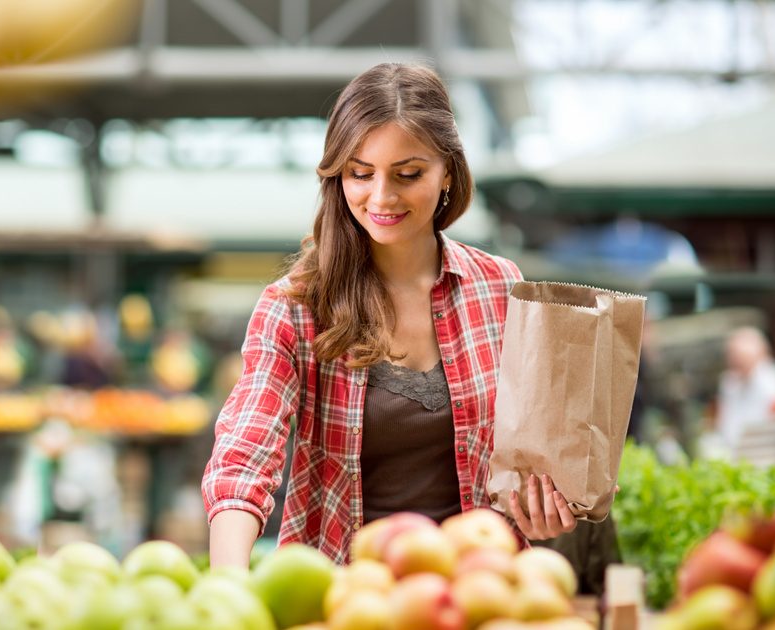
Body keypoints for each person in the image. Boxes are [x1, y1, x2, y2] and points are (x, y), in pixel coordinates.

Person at [201, 63, 577, 568]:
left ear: (448, 170)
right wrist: (229, 577)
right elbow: (246, 449)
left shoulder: (499, 288)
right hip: (346, 597)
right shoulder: (295, 306)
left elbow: (538, 452)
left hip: (479, 591)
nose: (381, 197)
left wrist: (547, 505)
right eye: (360, 173)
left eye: (408, 174)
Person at [715, 326, 775, 452]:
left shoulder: (771, 381)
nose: (735, 363)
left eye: (741, 358)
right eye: (732, 358)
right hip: (735, 452)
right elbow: (725, 423)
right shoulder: (729, 382)